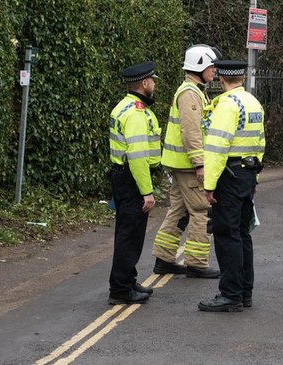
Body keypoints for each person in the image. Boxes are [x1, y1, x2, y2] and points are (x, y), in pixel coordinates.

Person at [198, 60, 265, 312]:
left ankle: (230, 295)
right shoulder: (253, 102)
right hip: (247, 173)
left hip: (229, 174)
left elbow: (216, 149)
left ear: (220, 79)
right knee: (242, 233)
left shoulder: (227, 105)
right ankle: (245, 292)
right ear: (242, 78)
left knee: (227, 235)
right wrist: (255, 178)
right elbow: (260, 143)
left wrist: (209, 185)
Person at [151, 45, 221, 279]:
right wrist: (200, 163)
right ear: (200, 66)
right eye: (211, 66)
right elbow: (191, 131)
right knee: (201, 210)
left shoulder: (193, 90)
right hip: (188, 165)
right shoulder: (190, 93)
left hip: (180, 163)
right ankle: (197, 263)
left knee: (178, 210)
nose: (214, 71)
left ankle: (164, 258)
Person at [107, 61, 162, 305]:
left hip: (122, 177)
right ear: (144, 83)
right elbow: (138, 157)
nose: (155, 83)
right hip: (133, 179)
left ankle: (127, 280)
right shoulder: (137, 113)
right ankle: (121, 289)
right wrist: (147, 192)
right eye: (152, 80)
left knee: (126, 232)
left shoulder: (124, 106)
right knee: (130, 235)